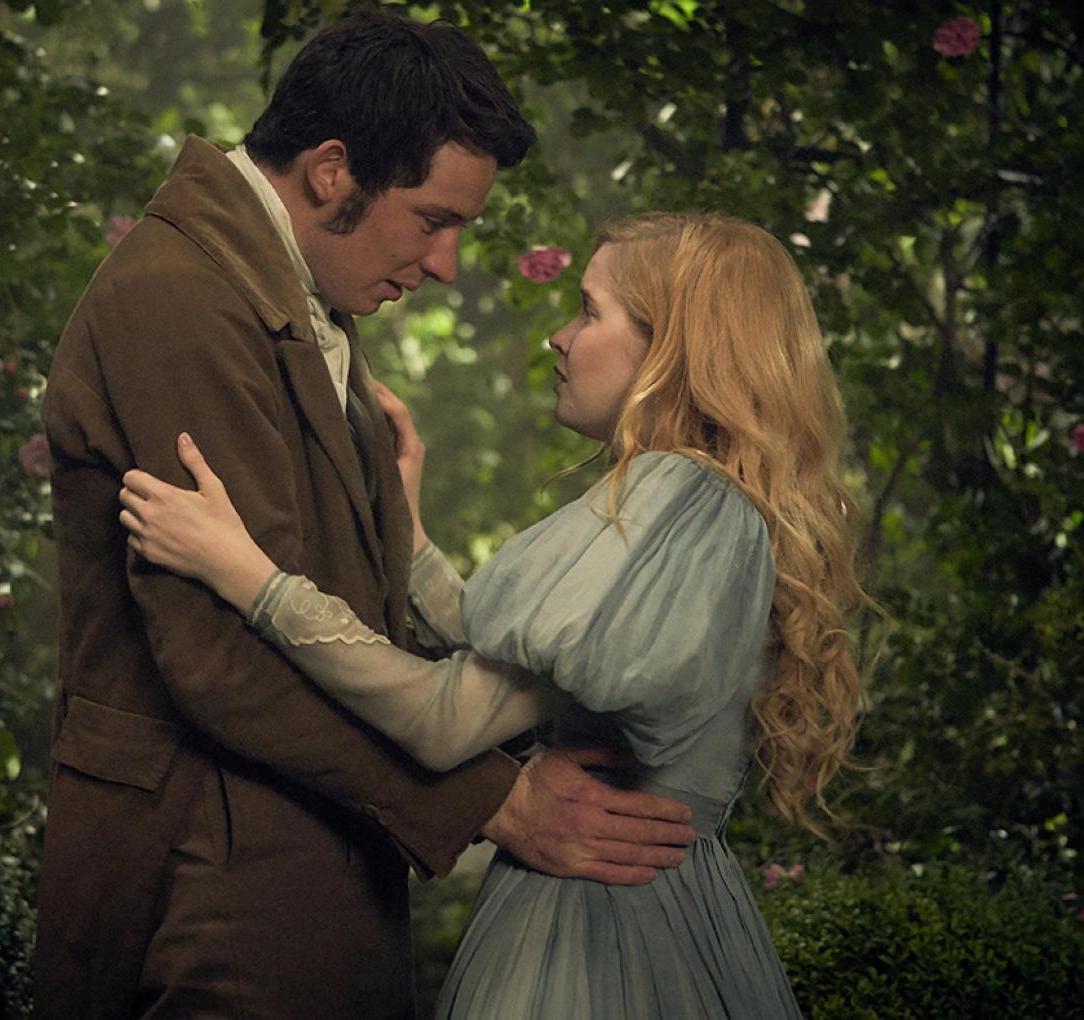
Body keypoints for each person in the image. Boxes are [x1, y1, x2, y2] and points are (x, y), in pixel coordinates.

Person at [32, 12, 699, 1018]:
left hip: (298, 867)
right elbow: (221, 658)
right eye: (433, 220)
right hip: (212, 884)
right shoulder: (180, 297)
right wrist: (498, 803)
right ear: (332, 171)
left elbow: (334, 601)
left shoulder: (293, 291)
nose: (444, 266)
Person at [116, 212, 869, 1017]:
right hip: (673, 917)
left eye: (589, 310)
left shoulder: (674, 498)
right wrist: (408, 538)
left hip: (597, 935)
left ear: (673, 352)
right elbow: (523, 666)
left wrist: (250, 576)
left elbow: (443, 720)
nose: (559, 336)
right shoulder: (715, 511)